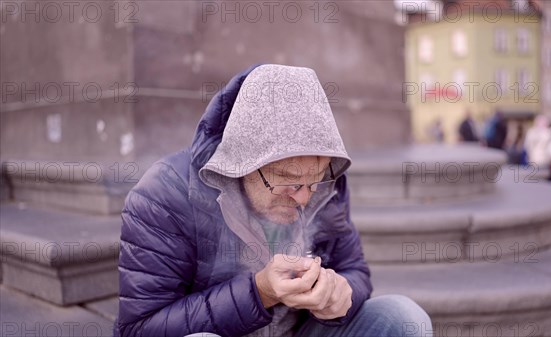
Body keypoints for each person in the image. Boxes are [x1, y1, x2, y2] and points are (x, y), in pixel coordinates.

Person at [115, 64, 432, 337]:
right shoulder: (164, 196)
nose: (304, 197)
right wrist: (259, 293)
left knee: (404, 317)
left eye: (314, 180)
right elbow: (139, 328)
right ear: (243, 164)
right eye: (289, 183)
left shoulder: (324, 187)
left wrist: (340, 292)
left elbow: (354, 270)